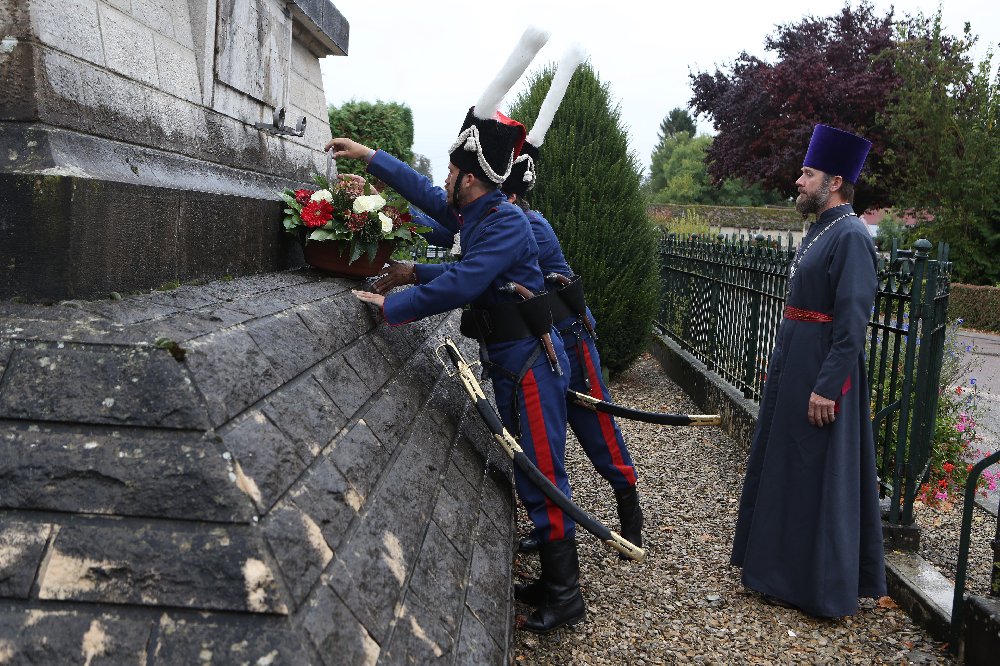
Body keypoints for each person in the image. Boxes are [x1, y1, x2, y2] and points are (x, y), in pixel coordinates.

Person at [329, 28, 587, 634]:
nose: (444, 176)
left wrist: (392, 305)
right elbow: (425, 195)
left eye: (451, 169)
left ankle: (566, 594)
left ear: (470, 178)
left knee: (543, 468)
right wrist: (370, 157)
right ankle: (553, 580)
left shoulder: (505, 224)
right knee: (529, 465)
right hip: (510, 356)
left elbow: (463, 283)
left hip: (530, 361)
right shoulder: (480, 211)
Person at [371, 46, 644, 567]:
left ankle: (625, 506)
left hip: (562, 338)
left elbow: (468, 272)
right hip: (529, 340)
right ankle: (551, 539)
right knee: (538, 450)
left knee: (592, 434)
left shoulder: (519, 224)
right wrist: (390, 208)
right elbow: (443, 219)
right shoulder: (492, 216)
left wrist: (411, 282)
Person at [730, 124, 887, 617]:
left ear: (834, 182)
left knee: (816, 474)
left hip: (821, 374)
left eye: (808, 173)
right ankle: (778, 572)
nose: (798, 181)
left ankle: (816, 587)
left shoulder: (852, 236)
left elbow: (852, 325)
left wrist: (827, 387)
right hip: (795, 365)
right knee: (789, 469)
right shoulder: (821, 229)